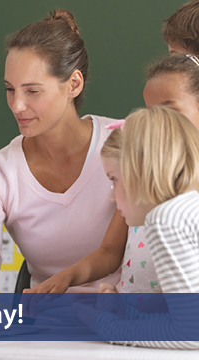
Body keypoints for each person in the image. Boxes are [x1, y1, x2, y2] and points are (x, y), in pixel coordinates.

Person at [0, 9, 124, 293]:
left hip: (132, 324)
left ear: (73, 84)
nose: (17, 105)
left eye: (32, 91)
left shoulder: (126, 143)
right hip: (47, 326)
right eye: (10, 89)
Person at [75, 106, 199, 349]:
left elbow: (189, 332)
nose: (112, 197)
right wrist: (127, 314)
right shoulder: (188, 209)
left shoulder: (166, 220)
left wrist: (108, 327)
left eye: (114, 180)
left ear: (141, 172)